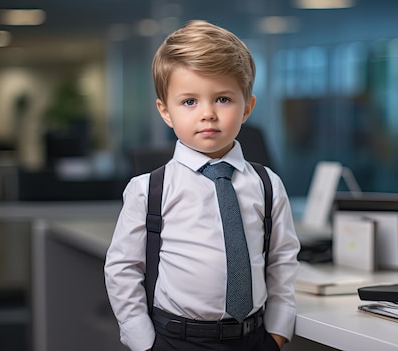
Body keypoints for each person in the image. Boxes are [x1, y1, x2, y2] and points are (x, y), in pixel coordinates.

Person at [104, 20, 300, 351]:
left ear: (247, 107)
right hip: (176, 340)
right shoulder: (149, 189)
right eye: (189, 102)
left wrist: (278, 333)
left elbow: (282, 259)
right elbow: (123, 269)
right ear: (165, 111)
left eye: (223, 99)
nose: (207, 114)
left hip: (252, 338)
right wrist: (143, 341)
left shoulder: (268, 185)